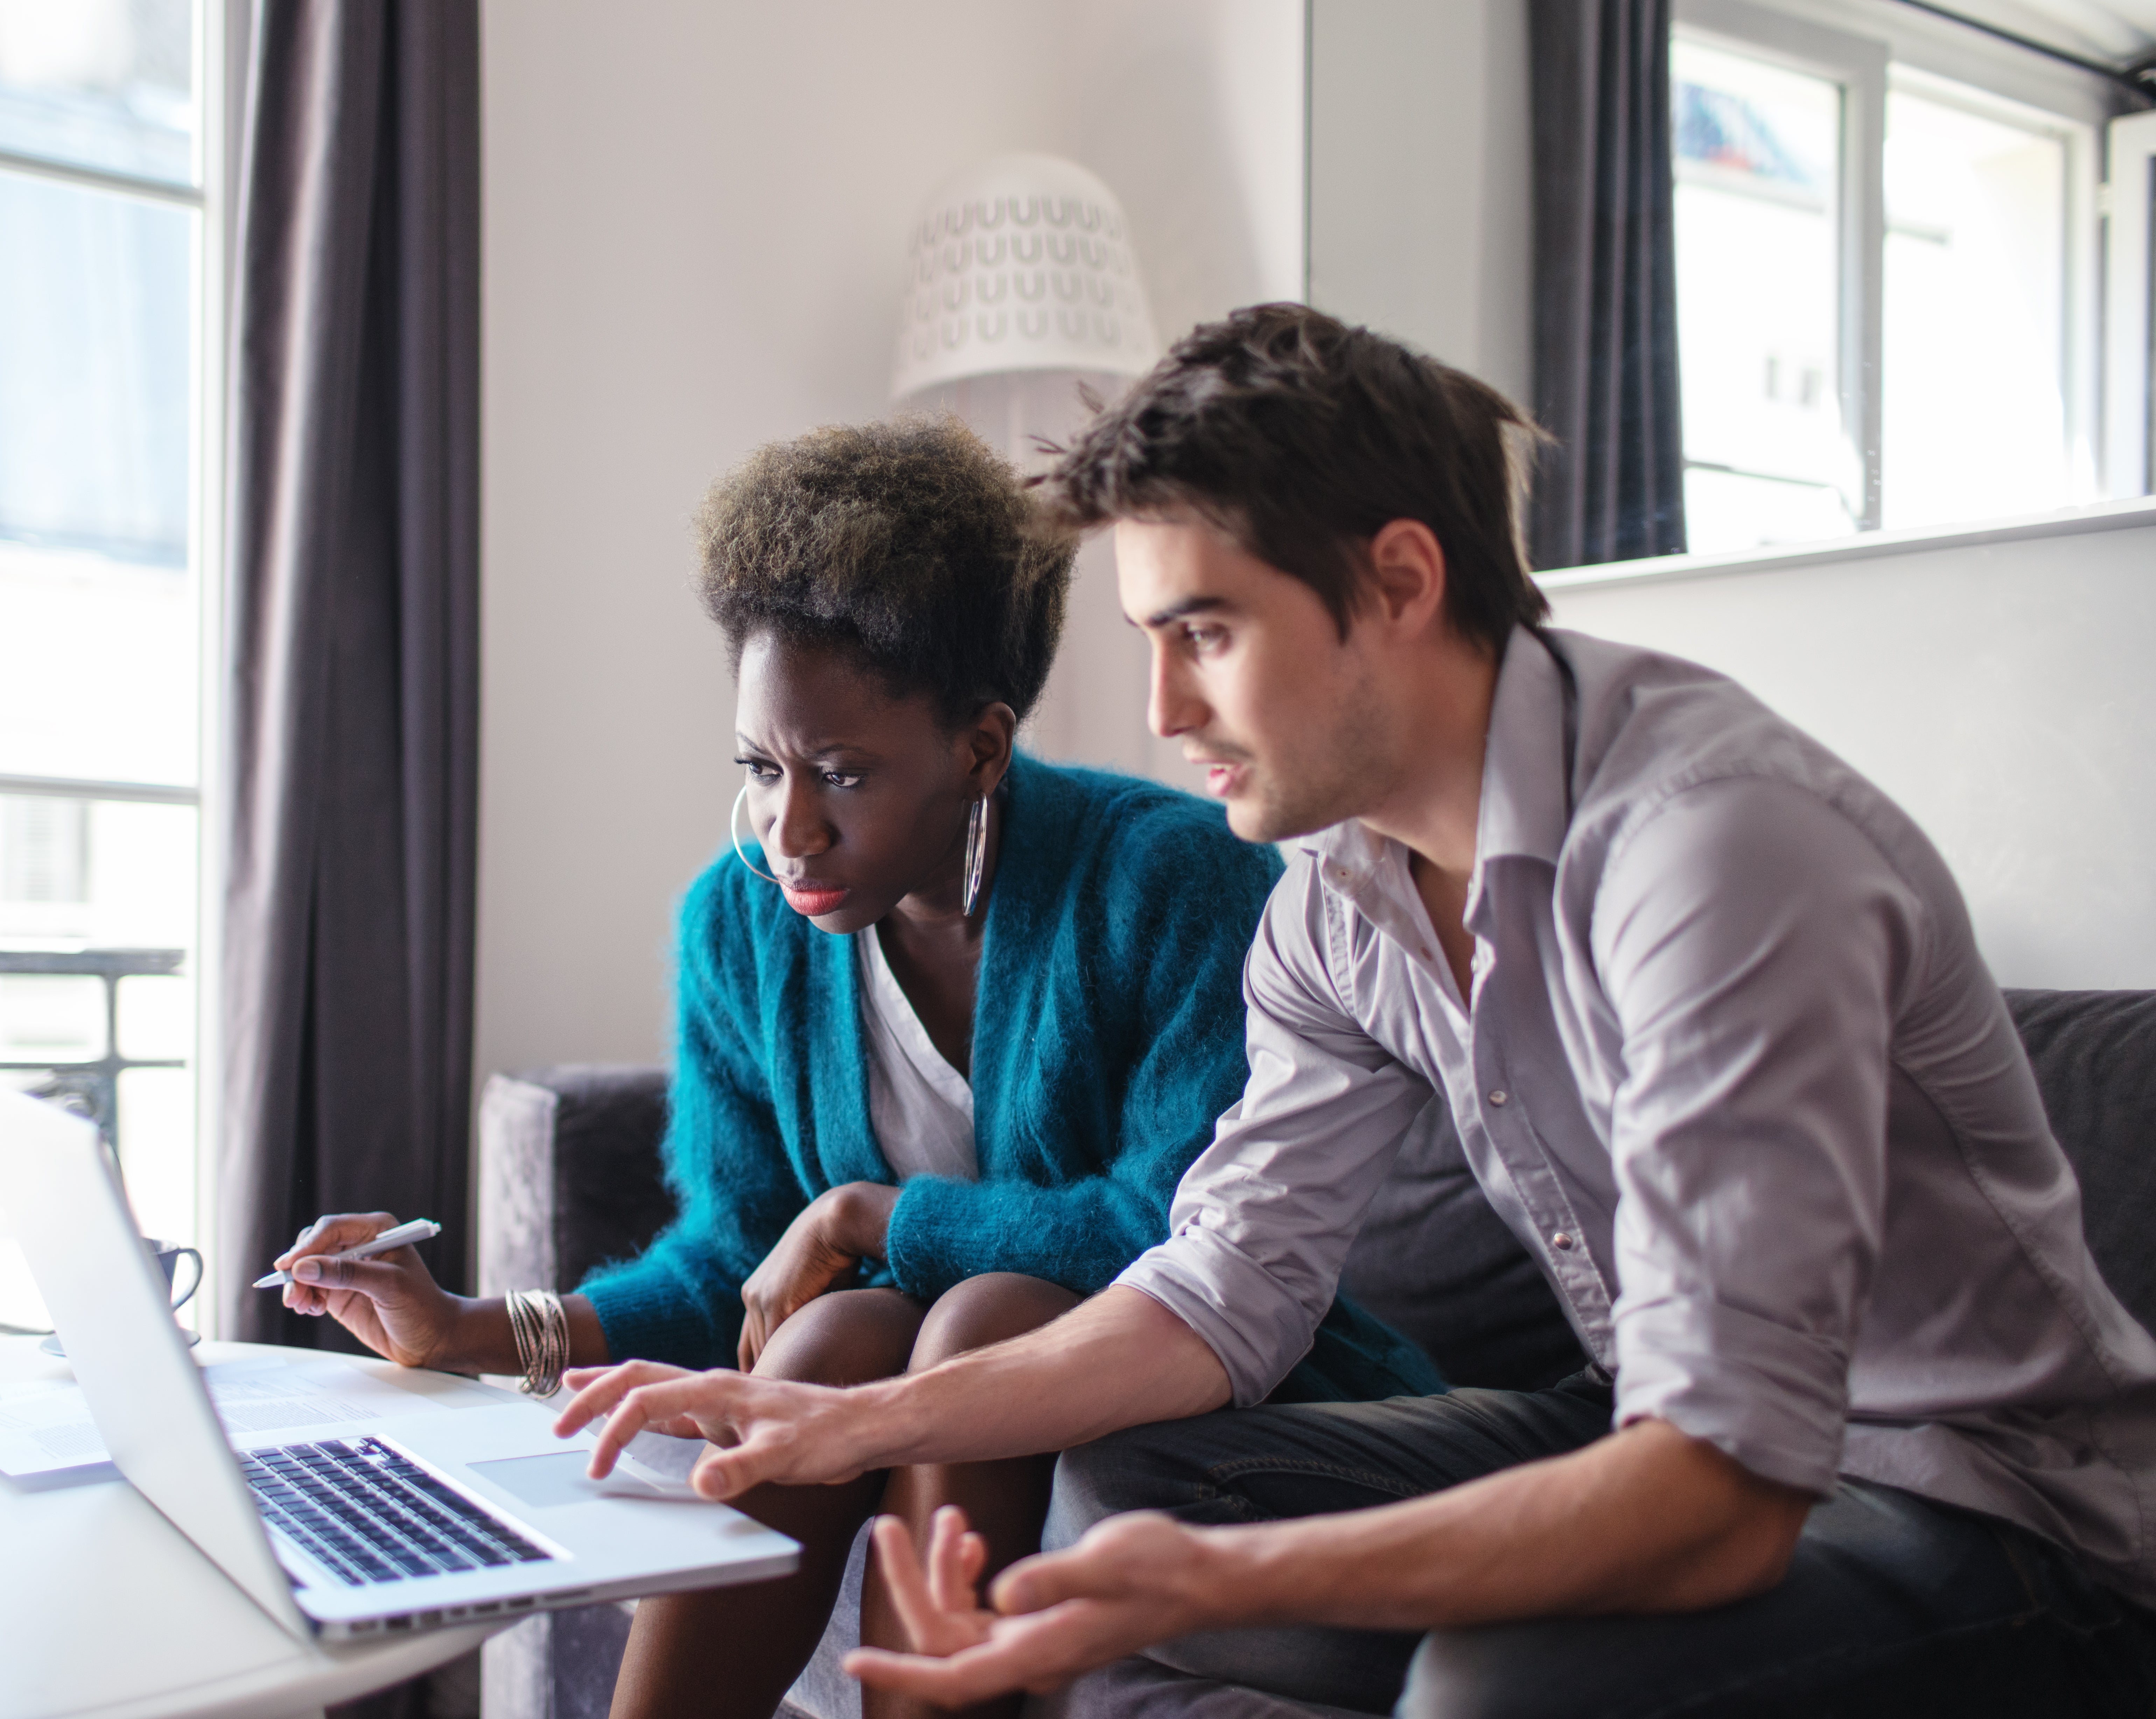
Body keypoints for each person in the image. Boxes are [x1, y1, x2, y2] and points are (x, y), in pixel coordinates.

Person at [554, 306, 2156, 1718]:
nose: (1166, 713)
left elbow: (1727, 1488)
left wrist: (1217, 1589)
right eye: (1151, 644)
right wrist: (844, 1417)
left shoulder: (1708, 852)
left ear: (1396, 580)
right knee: (1123, 1486)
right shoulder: (1338, 898)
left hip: (1981, 1511)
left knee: (1484, 1677)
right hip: (1627, 1420)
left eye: (1205, 635)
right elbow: (1224, 1287)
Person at [270, 415, 1442, 1719]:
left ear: (982, 749)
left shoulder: (1174, 880)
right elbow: (743, 1266)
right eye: (760, 769)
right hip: (891, 1370)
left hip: (1201, 1394)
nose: (791, 831)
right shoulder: (739, 921)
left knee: (981, 1306)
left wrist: (868, 1213)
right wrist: (466, 1331)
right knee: (838, 1326)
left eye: (842, 774)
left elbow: (1173, 1234)